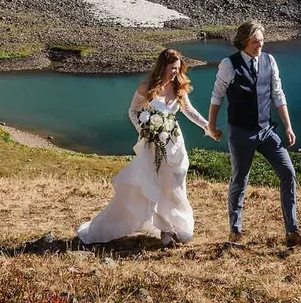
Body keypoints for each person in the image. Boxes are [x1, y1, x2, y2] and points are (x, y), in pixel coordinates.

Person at [77, 48, 218, 247]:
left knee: (175, 185)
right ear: (163, 66)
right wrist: (144, 130)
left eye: (178, 69)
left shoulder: (179, 87)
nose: (175, 73)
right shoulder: (148, 86)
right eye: (172, 68)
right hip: (153, 147)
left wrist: (207, 127)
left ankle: (176, 225)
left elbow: (189, 110)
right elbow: (133, 111)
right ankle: (165, 231)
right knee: (156, 184)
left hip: (175, 145)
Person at [206, 20, 301, 246]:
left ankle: (292, 231)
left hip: (267, 131)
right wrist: (211, 126)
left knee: (288, 172)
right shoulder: (229, 64)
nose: (260, 46)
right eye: (255, 42)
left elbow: (278, 94)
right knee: (240, 180)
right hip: (241, 132)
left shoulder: (269, 60)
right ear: (243, 41)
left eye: (262, 41)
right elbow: (217, 96)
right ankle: (235, 232)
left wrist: (288, 126)